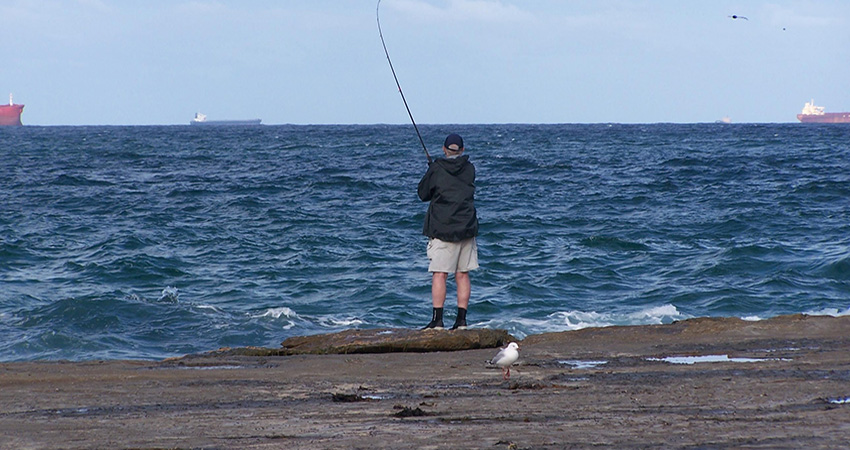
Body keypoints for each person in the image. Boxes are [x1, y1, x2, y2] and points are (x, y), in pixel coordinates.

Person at [417, 133, 479, 330]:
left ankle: (437, 321)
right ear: (462, 150)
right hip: (467, 228)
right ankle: (461, 321)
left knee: (440, 274)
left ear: (444, 149)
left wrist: (432, 171)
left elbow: (423, 194)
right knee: (463, 274)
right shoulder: (469, 169)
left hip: (443, 229)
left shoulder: (437, 169)